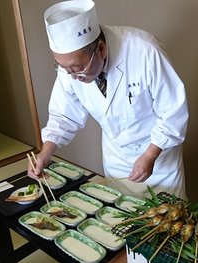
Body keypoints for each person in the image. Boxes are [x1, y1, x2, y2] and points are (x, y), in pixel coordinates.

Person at [27, 0, 189, 199]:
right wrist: (46, 153)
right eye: (63, 67)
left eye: (78, 68)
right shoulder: (69, 67)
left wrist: (150, 155)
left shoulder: (145, 51)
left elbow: (173, 111)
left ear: (101, 50)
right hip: (116, 159)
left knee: (166, 223)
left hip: (158, 157)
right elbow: (63, 115)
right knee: (120, 219)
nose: (71, 75)